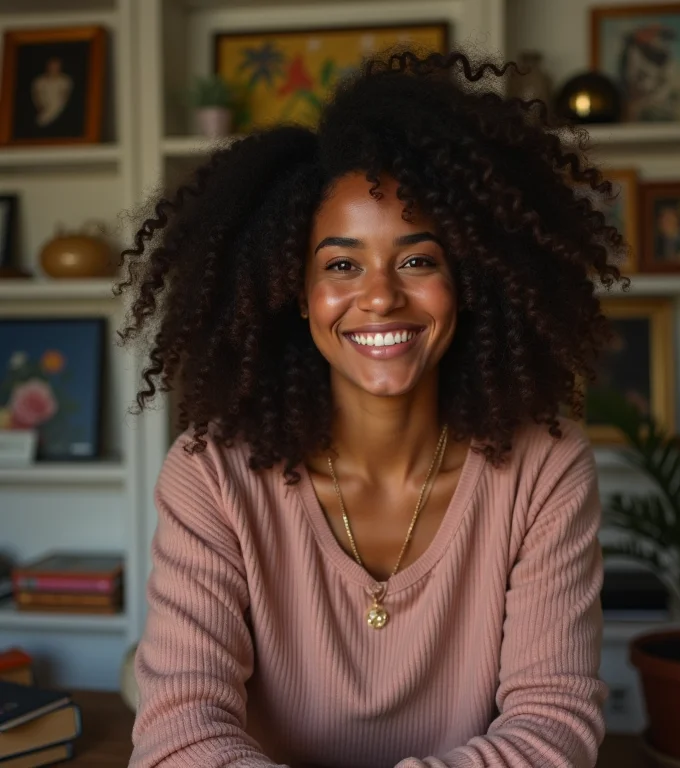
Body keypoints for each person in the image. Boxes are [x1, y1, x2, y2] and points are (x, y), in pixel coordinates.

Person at [121, 50, 626, 768]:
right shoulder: (211, 475)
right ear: (298, 292)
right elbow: (178, 738)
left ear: (468, 280)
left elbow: (553, 727)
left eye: (417, 260)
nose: (381, 296)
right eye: (341, 265)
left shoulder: (544, 466)